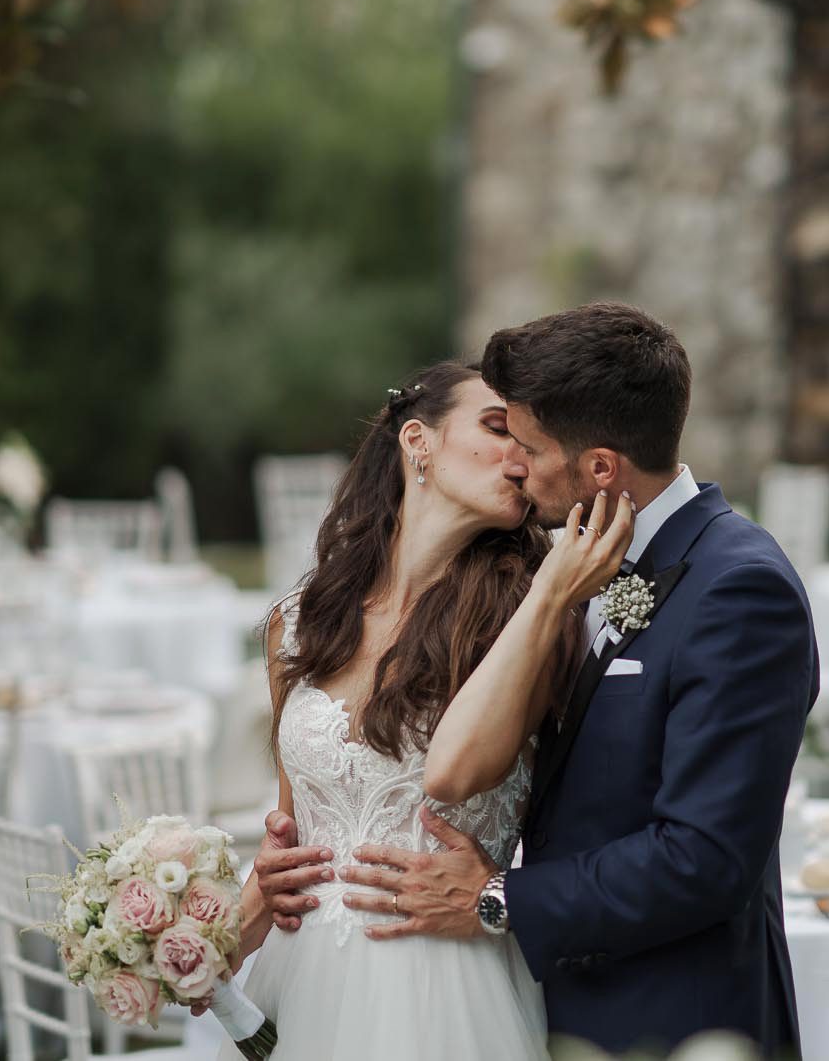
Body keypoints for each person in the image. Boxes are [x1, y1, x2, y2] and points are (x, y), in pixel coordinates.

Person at [291, 303, 821, 1057]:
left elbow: (705, 858)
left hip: (678, 1016)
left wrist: (499, 899)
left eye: (530, 446)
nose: (519, 464)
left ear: (601, 467)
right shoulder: (571, 564)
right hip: (553, 1001)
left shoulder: (738, 587)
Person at [221, 358, 635, 1060]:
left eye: (531, 444)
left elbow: (463, 770)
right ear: (419, 440)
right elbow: (292, 819)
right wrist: (257, 891)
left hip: (446, 988)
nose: (520, 457)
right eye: (498, 428)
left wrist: (551, 593)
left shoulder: (533, 617)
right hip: (304, 972)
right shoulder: (299, 621)